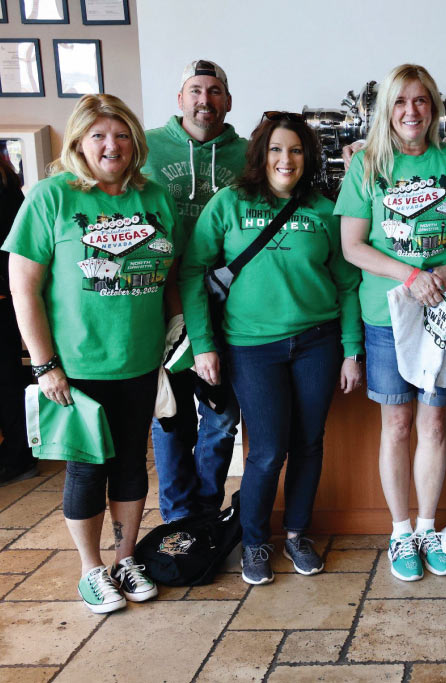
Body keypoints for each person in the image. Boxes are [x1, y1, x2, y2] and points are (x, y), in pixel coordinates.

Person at [3, 94, 183, 613]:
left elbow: (169, 275)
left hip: (141, 360)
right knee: (87, 468)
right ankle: (90, 569)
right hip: (77, 366)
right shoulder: (51, 197)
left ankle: (126, 559)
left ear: (136, 141)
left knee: (130, 463)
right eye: (100, 135)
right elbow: (24, 289)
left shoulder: (154, 197)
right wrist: (44, 364)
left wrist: (175, 341)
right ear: (79, 140)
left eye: (122, 134)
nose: (112, 145)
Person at [180, 112, 363, 585]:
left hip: (317, 345)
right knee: (265, 451)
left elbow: (347, 285)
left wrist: (351, 349)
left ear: (309, 157)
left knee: (308, 443)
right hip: (250, 348)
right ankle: (255, 539)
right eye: (277, 149)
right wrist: (203, 345)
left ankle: (297, 533)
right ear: (261, 154)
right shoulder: (229, 204)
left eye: (297, 150)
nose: (287, 159)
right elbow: (193, 273)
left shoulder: (325, 210)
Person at [337, 64, 446, 582]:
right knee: (396, 424)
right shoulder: (368, 166)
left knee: (435, 423)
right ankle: (400, 532)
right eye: (400, 102)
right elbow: (352, 247)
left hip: (442, 312)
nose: (411, 111)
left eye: (420, 101)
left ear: (433, 107)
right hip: (386, 316)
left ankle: (427, 528)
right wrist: (411, 274)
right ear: (386, 110)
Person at [142, 59, 248, 523]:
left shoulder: (247, 155)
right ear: (180, 98)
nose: (205, 100)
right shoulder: (144, 146)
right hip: (157, 307)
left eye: (214, 91)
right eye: (195, 90)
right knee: (169, 417)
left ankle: (205, 510)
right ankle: (178, 519)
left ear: (227, 100)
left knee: (222, 418)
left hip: (224, 307)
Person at [0, 155, 36, 487]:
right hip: (5, 298)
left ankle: (18, 455)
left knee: (6, 381)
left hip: (3, 296)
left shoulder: (7, 185)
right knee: (8, 379)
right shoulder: (10, 181)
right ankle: (18, 453)